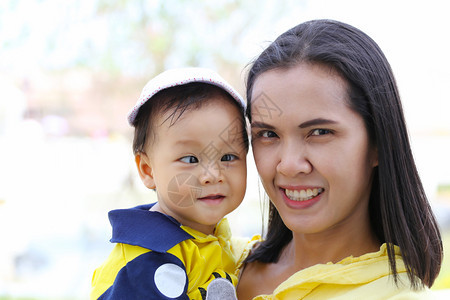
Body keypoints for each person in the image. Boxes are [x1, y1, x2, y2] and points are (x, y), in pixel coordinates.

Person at [236, 19, 442, 299]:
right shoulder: (212, 268)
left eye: (320, 132)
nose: (289, 165)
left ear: (378, 142)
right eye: (268, 134)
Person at [91, 67, 248, 299]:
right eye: (189, 159)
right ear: (148, 170)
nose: (213, 175)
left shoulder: (209, 237)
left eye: (228, 157)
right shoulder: (151, 258)